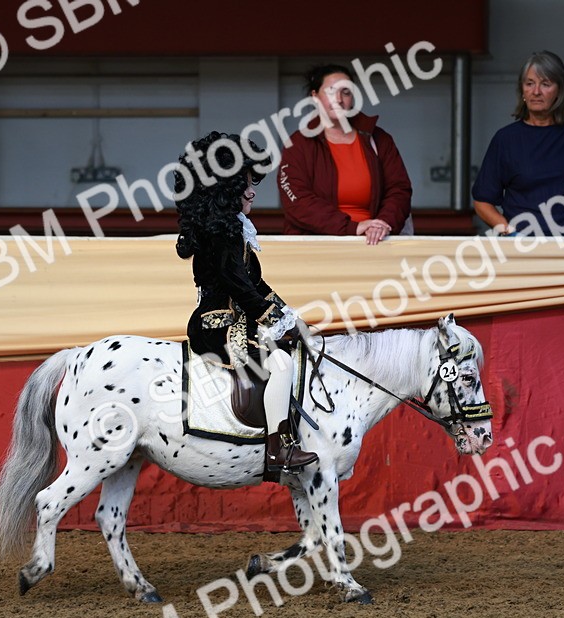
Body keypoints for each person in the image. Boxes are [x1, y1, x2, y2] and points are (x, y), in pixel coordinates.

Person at [175, 131, 318, 474]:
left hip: (240, 321)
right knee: (281, 365)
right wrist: (279, 324)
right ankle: (277, 449)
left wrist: (291, 319)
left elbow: (257, 286)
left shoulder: (233, 229)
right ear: (225, 186)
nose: (253, 190)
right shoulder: (222, 234)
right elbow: (240, 288)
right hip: (219, 326)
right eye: (246, 182)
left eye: (254, 182)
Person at [472, 50, 564, 238]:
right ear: (522, 90)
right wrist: (509, 232)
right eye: (529, 83)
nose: (536, 91)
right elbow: (482, 201)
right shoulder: (505, 139)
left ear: (559, 91)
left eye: (545, 84)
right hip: (520, 251)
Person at [278, 64, 413, 245]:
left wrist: (382, 225)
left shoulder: (379, 139)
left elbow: (399, 190)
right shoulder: (298, 144)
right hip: (315, 245)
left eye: (346, 92)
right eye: (331, 92)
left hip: (373, 242)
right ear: (315, 97)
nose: (339, 99)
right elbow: (297, 201)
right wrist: (352, 228)